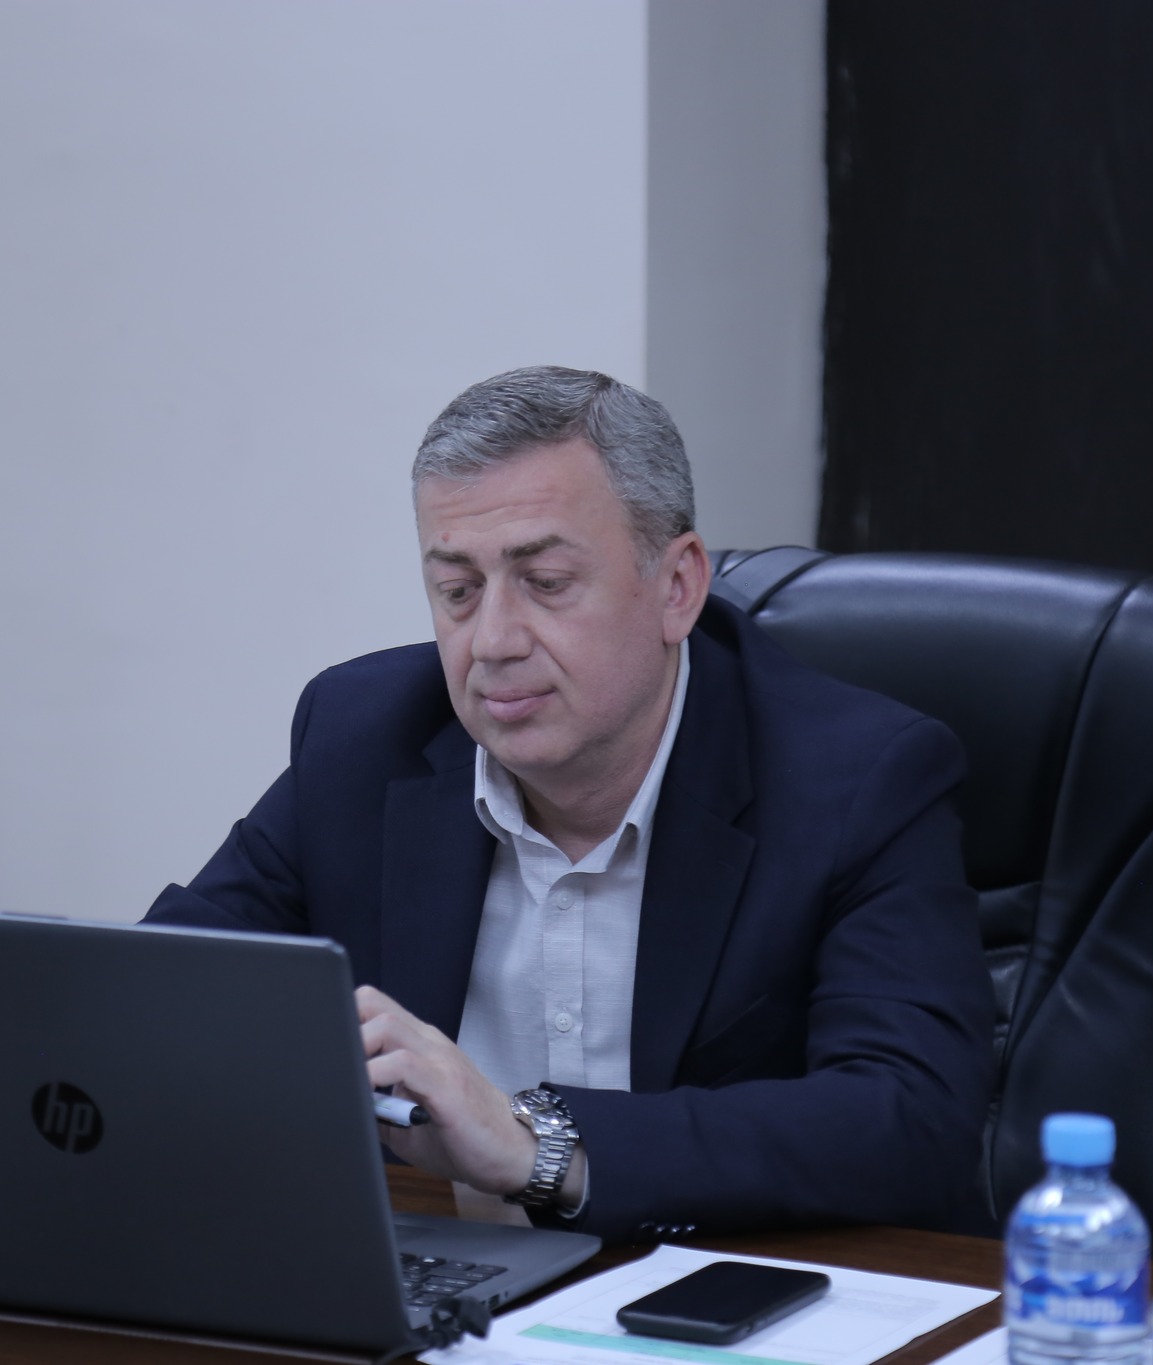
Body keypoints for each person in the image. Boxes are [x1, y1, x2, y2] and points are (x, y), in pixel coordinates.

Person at [145, 366, 995, 1244]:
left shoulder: (858, 778)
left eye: (546, 581)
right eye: (458, 590)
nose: (492, 642)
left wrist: (538, 1147)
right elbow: (165, 996)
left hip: (735, 1283)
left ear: (677, 587)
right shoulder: (365, 738)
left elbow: (911, 1119)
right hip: (457, 1271)